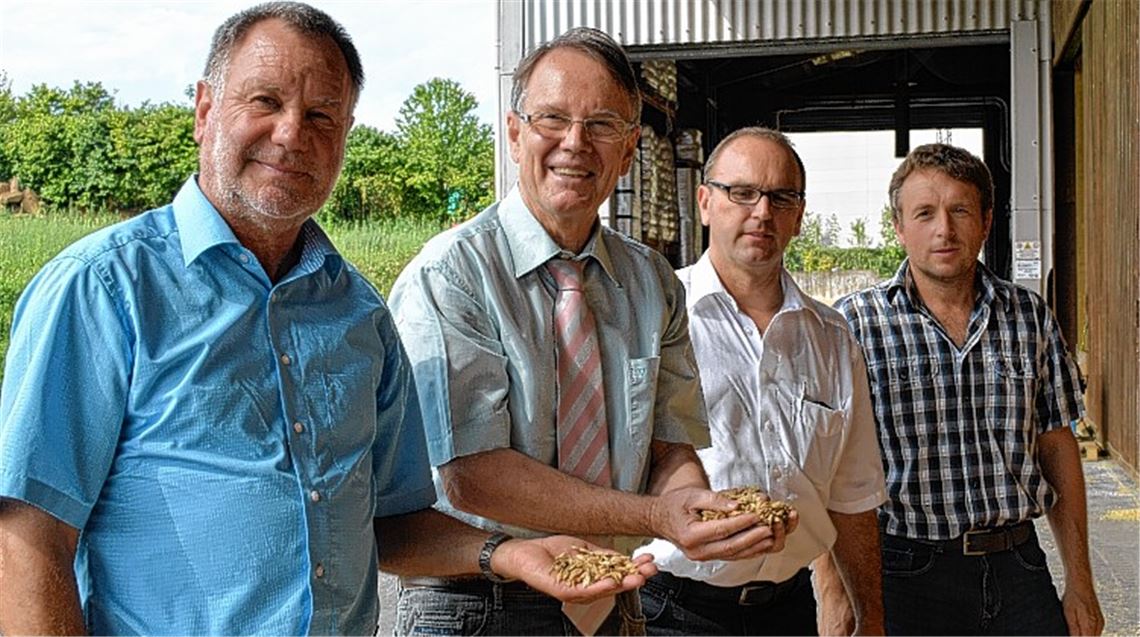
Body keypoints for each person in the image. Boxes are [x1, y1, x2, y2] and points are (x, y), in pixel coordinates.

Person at [0, 4, 651, 635]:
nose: (291, 134)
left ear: (344, 135)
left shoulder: (359, 315)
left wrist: (504, 553)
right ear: (204, 109)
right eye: (265, 102)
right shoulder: (106, 288)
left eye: (321, 115)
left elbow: (391, 525)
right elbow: (25, 536)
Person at [388, 28, 794, 636]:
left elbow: (669, 447)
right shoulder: (452, 276)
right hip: (479, 604)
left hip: (611, 600)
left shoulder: (651, 280)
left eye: (602, 124)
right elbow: (472, 476)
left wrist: (693, 506)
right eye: (552, 118)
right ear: (515, 130)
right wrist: (658, 515)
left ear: (630, 150)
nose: (575, 143)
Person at [836, 143, 1104, 636]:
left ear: (985, 220)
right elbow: (831, 468)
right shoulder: (854, 325)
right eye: (924, 213)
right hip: (904, 574)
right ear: (898, 227)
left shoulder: (1030, 317)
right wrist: (837, 596)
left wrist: (1081, 582)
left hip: (1018, 568)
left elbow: (1057, 446)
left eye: (960, 210)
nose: (944, 229)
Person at [633, 127, 886, 636]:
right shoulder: (652, 318)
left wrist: (870, 617)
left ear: (799, 215)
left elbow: (852, 497)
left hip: (788, 611)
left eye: (780, 197)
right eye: (741, 192)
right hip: (668, 610)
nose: (762, 212)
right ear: (705, 202)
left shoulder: (832, 337)